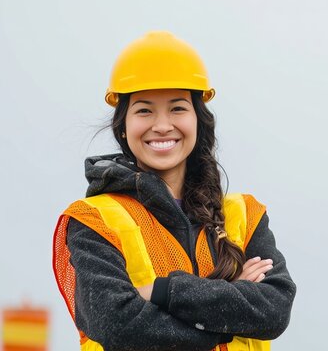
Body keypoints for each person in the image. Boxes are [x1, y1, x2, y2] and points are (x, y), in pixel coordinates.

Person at [52, 31, 296, 351]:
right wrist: (228, 314)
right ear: (123, 126)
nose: (162, 124)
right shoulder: (94, 220)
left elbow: (274, 311)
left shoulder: (244, 216)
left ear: (199, 119)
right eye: (144, 110)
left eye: (177, 108)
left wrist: (161, 292)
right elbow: (116, 324)